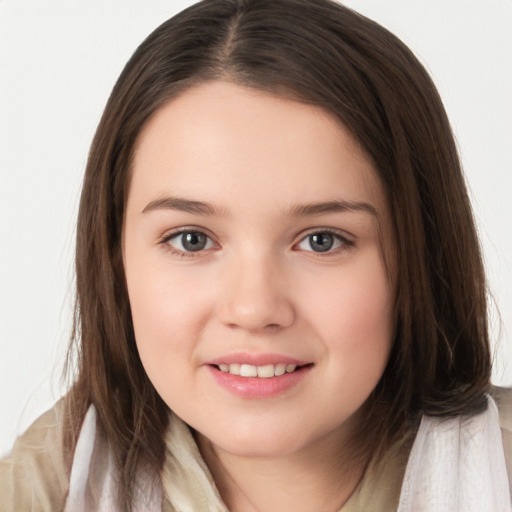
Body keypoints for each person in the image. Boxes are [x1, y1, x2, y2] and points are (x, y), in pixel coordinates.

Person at [1, 0, 511, 510]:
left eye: (321, 240)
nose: (253, 308)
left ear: (422, 256)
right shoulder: (42, 489)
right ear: (115, 260)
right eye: (191, 239)